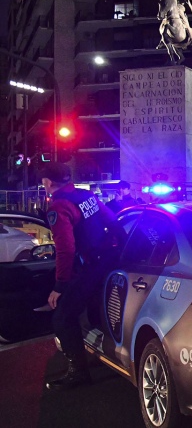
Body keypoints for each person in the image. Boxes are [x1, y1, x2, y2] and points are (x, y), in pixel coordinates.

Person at [40, 162, 122, 390]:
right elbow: (112, 220)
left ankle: (78, 372)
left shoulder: (58, 207)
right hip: (107, 259)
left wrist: (59, 285)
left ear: (47, 182)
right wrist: (122, 247)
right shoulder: (86, 196)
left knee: (62, 318)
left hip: (88, 267)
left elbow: (66, 249)